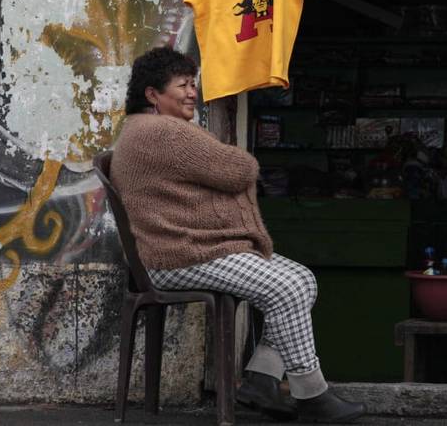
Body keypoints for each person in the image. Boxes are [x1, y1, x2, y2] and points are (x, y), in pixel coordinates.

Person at [110, 46, 365, 423]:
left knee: (302, 279)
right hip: (176, 256)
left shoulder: (141, 129)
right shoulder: (162, 132)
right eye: (182, 85)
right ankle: (312, 393)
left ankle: (261, 380)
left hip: (181, 250)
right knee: (287, 287)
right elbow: (237, 169)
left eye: (193, 83)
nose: (192, 92)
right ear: (153, 94)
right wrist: (237, 160)